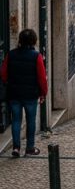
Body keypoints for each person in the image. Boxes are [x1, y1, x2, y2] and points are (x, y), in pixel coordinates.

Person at [1, 29, 48, 157]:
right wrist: (43, 93)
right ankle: (30, 148)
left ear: (20, 40)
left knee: (16, 120)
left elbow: (3, 74)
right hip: (30, 94)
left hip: (14, 93)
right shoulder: (36, 56)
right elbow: (42, 77)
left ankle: (16, 148)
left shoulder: (11, 55)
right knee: (31, 120)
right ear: (34, 41)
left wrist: (9, 82)